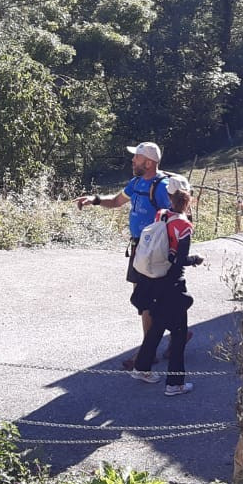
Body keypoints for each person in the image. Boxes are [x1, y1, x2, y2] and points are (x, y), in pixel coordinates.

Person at [74, 141, 172, 343]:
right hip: (138, 247)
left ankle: (147, 352)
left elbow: (176, 217)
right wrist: (95, 199)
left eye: (137, 157)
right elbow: (117, 201)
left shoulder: (163, 187)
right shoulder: (136, 183)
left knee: (146, 300)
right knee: (145, 298)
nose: (132, 160)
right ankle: (179, 333)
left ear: (148, 162)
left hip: (153, 250)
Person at [128, 177, 202, 395]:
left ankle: (142, 368)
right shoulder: (184, 225)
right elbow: (179, 260)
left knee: (158, 325)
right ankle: (175, 383)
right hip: (173, 284)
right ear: (188, 197)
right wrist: (196, 259)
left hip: (155, 280)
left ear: (169, 196)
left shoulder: (161, 215)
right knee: (179, 334)